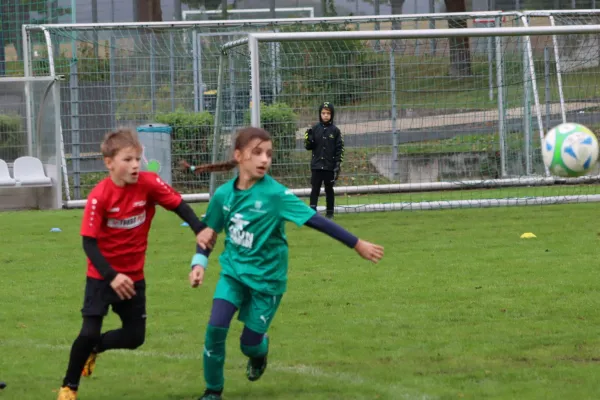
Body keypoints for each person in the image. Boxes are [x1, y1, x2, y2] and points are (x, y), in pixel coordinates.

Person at [182, 126, 383, 400]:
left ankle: (260, 351)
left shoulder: (276, 196)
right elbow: (208, 233)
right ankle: (212, 392)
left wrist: (357, 244)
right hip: (233, 274)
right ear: (239, 156)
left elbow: (317, 220)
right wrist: (199, 263)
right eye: (257, 153)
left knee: (249, 345)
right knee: (215, 328)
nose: (264, 160)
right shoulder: (223, 196)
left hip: (267, 282)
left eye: (268, 154)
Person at [57, 129, 213, 400]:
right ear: (109, 163)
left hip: (134, 276)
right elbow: (89, 244)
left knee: (134, 337)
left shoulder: (149, 183)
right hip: (102, 276)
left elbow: (178, 205)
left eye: (138, 159)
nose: (135, 165)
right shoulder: (99, 196)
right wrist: (111, 276)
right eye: (128, 159)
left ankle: (96, 349)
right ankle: (69, 387)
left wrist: (199, 228)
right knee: (88, 331)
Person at [304, 101, 344, 219]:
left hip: (329, 166)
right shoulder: (315, 129)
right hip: (316, 165)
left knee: (329, 189)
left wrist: (337, 163)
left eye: (328, 113)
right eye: (323, 113)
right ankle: (312, 211)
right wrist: (308, 140)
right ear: (319, 114)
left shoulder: (335, 131)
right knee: (315, 188)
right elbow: (308, 147)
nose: (325, 115)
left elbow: (339, 148)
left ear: (332, 115)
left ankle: (330, 212)